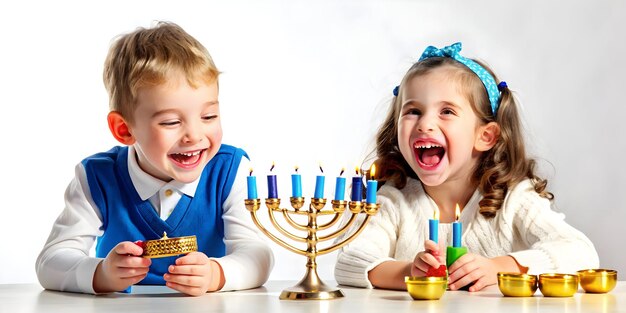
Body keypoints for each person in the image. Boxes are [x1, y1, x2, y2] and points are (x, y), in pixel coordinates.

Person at [334, 42, 599, 292]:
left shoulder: (514, 199)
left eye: (446, 111)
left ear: (485, 136)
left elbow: (580, 252)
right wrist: (409, 273)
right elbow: (349, 260)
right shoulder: (392, 201)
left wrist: (498, 267)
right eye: (413, 111)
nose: (425, 124)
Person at [36, 22, 274, 296]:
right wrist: (101, 273)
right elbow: (50, 261)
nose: (194, 135)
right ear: (124, 129)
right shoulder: (97, 178)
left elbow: (258, 254)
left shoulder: (229, 170)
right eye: (171, 122)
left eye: (208, 116)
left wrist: (217, 275)